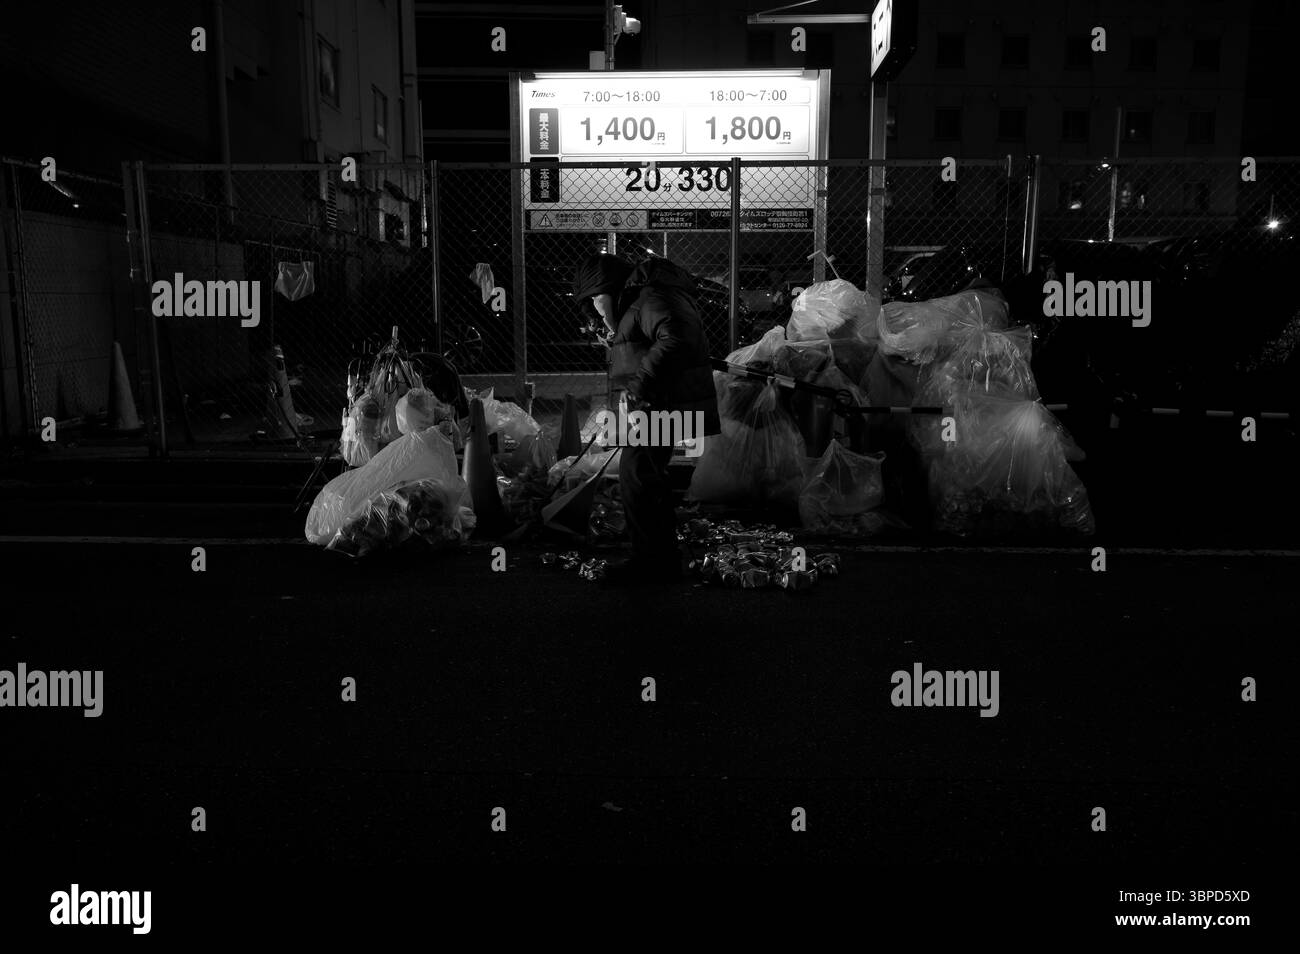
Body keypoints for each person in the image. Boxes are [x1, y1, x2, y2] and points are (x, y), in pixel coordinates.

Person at [572, 253, 721, 584]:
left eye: (596, 299)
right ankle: (660, 559)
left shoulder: (651, 295)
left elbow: (678, 337)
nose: (596, 309)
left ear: (608, 289)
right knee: (644, 476)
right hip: (663, 403)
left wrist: (639, 386)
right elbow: (654, 339)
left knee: (638, 476)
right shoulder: (642, 300)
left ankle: (653, 563)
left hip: (664, 403)